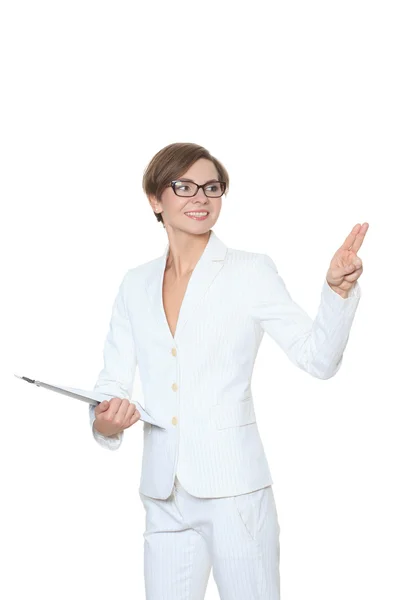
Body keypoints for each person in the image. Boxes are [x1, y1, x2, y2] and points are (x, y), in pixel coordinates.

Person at [89, 142, 368, 599]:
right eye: (184, 186)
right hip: (164, 495)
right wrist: (106, 420)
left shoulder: (250, 272)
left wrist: (336, 293)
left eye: (212, 187)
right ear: (155, 199)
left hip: (235, 493)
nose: (200, 197)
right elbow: (110, 384)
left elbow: (318, 359)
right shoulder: (135, 283)